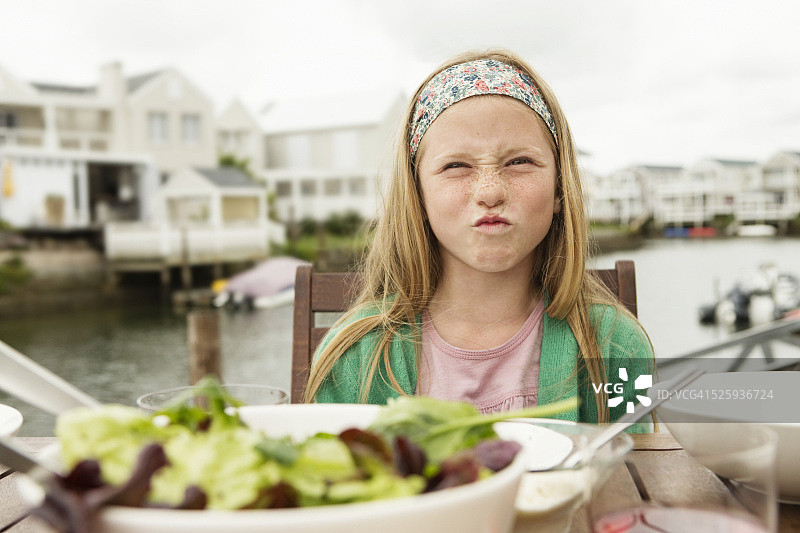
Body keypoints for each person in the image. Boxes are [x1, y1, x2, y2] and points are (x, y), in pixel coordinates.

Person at [305, 48, 654, 430]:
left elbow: (637, 477)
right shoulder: (355, 358)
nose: (490, 192)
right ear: (417, 196)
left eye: (519, 162)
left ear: (559, 190)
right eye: (456, 166)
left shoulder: (616, 347)